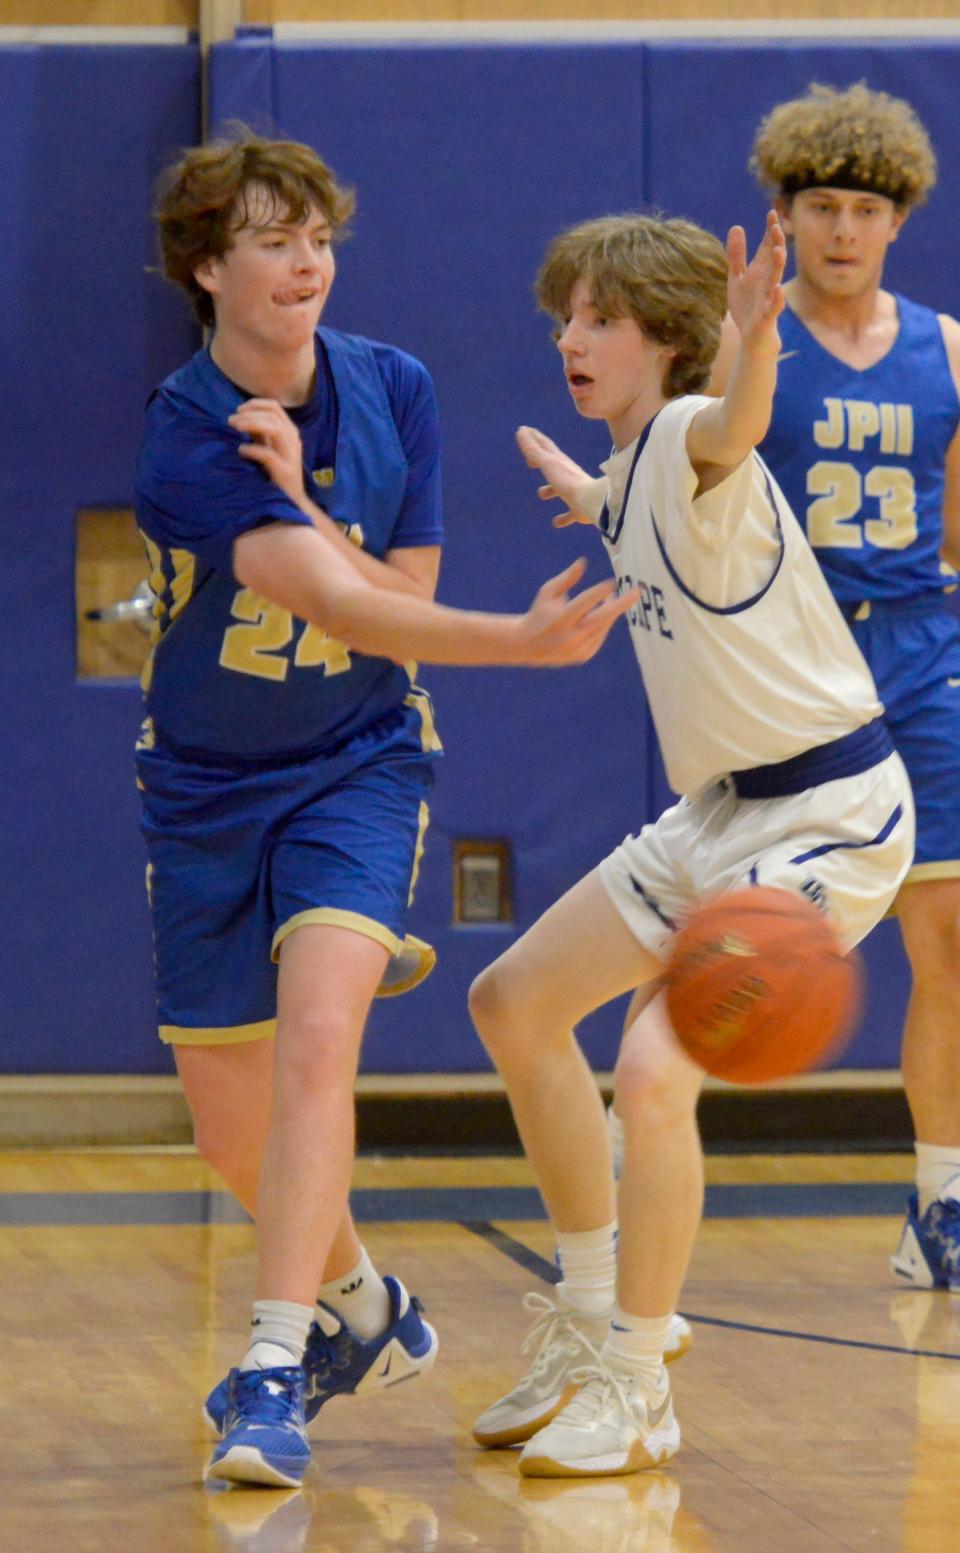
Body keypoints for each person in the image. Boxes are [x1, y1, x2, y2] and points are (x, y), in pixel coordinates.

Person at [135, 128, 634, 1489]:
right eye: (273, 241)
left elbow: (392, 615)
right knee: (233, 1123)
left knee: (317, 1040)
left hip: (357, 764)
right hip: (202, 792)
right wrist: (522, 641)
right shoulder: (184, 433)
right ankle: (364, 1307)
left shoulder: (392, 388)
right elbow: (340, 599)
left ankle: (276, 1365)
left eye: (319, 240)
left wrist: (315, 499)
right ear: (207, 266)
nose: (305, 265)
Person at [467, 207, 914, 1478]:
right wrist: (586, 490)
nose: (573, 334)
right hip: (721, 810)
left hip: (827, 811)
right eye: (566, 315)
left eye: (601, 317)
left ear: (669, 340)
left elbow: (730, 429)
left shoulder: (684, 432)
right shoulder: (631, 465)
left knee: (657, 1072)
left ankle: (639, 1372)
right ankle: (593, 1316)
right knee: (513, 1002)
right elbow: (644, 491)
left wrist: (757, 339)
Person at [707, 81, 960, 1291]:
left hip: (919, 655)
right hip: (790, 666)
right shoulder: (752, 338)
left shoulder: (948, 348)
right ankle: (636, 1144)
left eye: (866, 208)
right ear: (785, 213)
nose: (845, 229)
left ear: (899, 220)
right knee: (741, 929)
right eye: (822, 206)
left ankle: (941, 1203)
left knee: (948, 938)